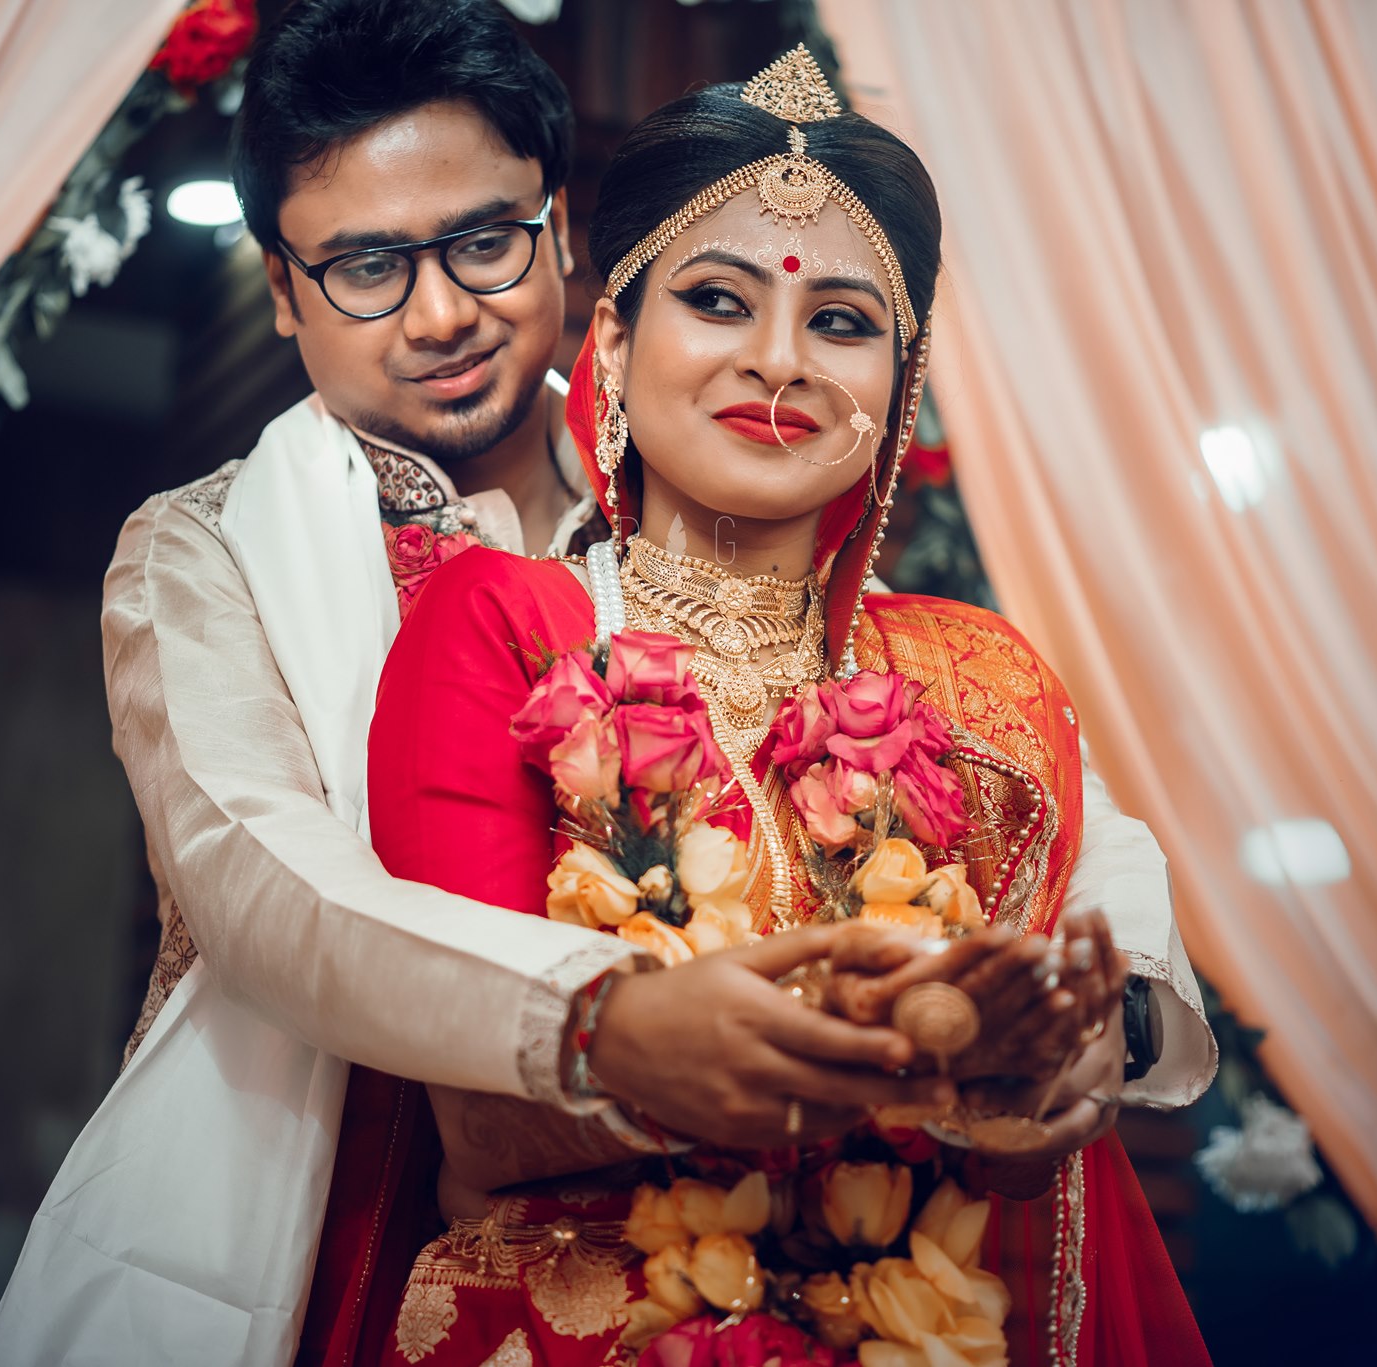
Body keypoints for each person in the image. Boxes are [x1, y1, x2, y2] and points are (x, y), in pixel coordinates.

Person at [0, 7, 962, 1366]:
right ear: (281, 288)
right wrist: (599, 1018)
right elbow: (257, 872)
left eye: (483, 243)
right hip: (313, 1171)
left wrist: (1121, 993)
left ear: (556, 227)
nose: (442, 313)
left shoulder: (699, 490)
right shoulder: (201, 548)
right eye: (367, 267)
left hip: (667, 1224)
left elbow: (948, 706)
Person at [355, 49, 1218, 1367]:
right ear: (612, 343)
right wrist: (905, 1067)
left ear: (897, 389)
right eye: (716, 299)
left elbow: (1073, 1053)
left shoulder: (978, 679)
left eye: (843, 323)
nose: (780, 361)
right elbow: (480, 1111)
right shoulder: (500, 623)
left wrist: (1034, 1087)